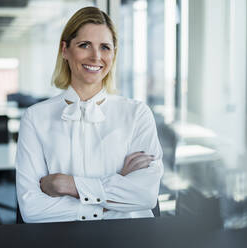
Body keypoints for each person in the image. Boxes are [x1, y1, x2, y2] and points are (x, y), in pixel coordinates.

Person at [16, 6, 164, 223]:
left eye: (105, 47)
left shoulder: (137, 114)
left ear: (113, 54)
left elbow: (145, 195)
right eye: (84, 45)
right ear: (65, 50)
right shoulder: (35, 118)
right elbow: (32, 208)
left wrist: (67, 185)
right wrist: (118, 185)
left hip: (129, 239)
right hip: (61, 240)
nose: (96, 56)